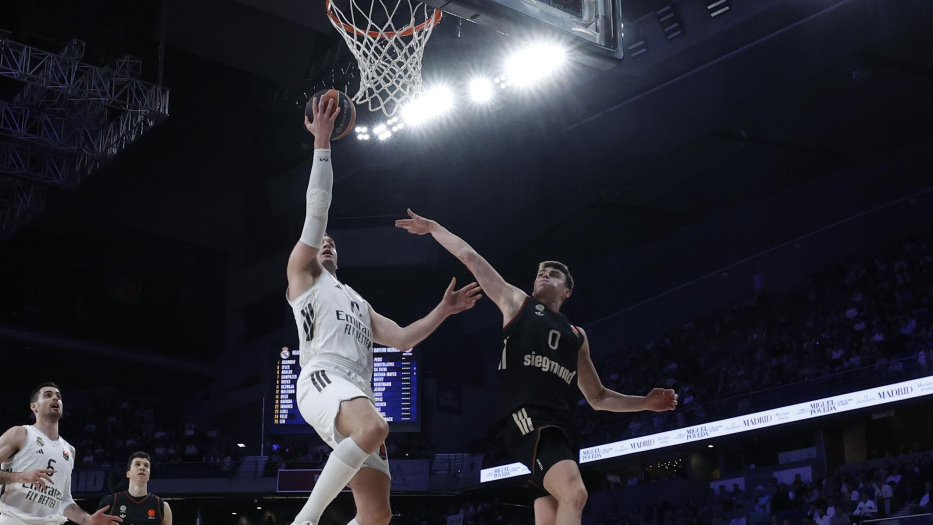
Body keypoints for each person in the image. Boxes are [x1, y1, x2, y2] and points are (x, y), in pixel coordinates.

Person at [395, 210, 678, 525]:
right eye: (542, 271)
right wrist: (434, 228)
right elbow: (470, 258)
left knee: (553, 513)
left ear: (567, 292)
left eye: (554, 274)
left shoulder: (577, 335)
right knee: (575, 493)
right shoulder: (517, 302)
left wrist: (646, 403)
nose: (545, 274)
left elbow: (597, 397)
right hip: (529, 419)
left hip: (562, 429)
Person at [286, 98, 483, 525]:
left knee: (377, 516)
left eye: (332, 243)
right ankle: (305, 521)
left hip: (356, 390)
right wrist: (323, 141)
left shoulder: (357, 301)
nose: (326, 243)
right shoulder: (303, 275)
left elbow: (404, 338)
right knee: (374, 428)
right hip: (324, 375)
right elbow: (317, 210)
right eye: (320, 241)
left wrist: (444, 311)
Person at [0, 382, 122, 525]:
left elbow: (63, 500)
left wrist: (88, 520)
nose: (55, 398)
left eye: (58, 396)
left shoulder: (69, 450)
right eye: (48, 395)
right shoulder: (20, 433)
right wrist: (18, 476)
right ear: (34, 407)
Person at [98, 451, 171, 525]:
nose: (142, 467)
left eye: (146, 465)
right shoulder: (110, 502)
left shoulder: (162, 506)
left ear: (149, 476)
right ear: (128, 474)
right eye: (137, 464)